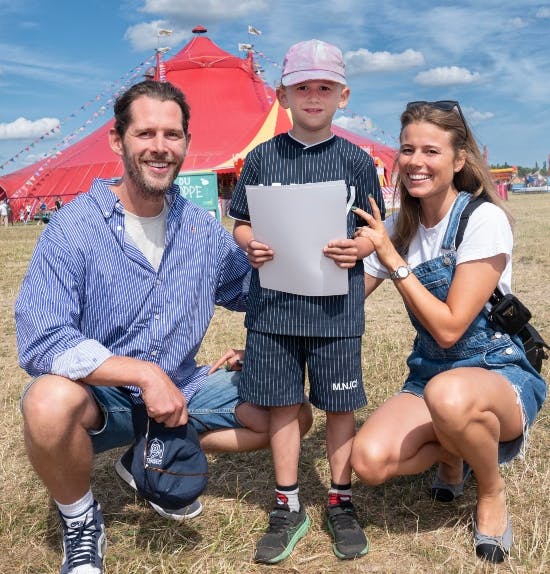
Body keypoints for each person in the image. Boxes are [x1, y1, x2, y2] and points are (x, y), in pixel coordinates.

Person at [15, 79, 312, 574]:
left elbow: (247, 294)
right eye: (145, 133)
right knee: (46, 401)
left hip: (182, 389)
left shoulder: (199, 228)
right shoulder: (73, 229)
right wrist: (143, 374)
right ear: (118, 141)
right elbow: (42, 338)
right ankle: (82, 521)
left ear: (186, 144)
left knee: (290, 414)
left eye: (172, 135)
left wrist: (262, 333)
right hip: (103, 395)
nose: (160, 147)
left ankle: (143, 458)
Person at [350, 100, 547, 563]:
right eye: (407, 149)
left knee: (449, 395)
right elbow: (345, 302)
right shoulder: (398, 224)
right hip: (430, 373)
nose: (416, 161)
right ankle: (454, 451)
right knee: (369, 461)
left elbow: (450, 327)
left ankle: (491, 492)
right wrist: (269, 334)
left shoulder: (483, 219)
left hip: (496, 368)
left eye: (431, 151)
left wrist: (393, 260)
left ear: (459, 160)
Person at [229, 39, 385, 564]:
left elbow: (375, 232)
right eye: (303, 88)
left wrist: (358, 247)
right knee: (282, 406)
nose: (313, 97)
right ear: (283, 95)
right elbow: (242, 220)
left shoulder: (357, 162)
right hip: (273, 310)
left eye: (324, 88)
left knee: (340, 405)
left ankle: (340, 500)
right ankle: (287, 502)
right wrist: (249, 243)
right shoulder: (261, 158)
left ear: (343, 95)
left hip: (337, 310)